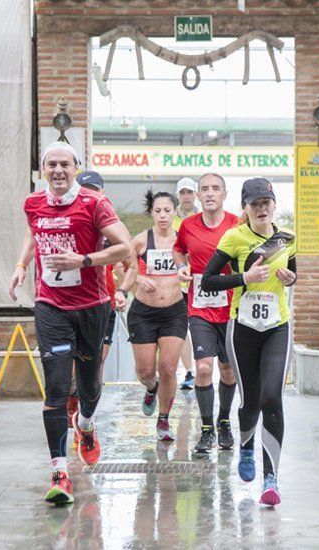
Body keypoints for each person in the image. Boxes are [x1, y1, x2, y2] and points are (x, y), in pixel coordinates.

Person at [9, 143, 134, 505]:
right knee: (57, 388)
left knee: (90, 386)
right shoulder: (33, 203)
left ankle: (87, 425)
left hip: (93, 306)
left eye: (65, 163)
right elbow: (35, 234)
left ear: (77, 167)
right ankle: (59, 471)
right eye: (52, 164)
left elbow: (125, 248)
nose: (58, 170)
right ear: (43, 169)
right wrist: (20, 266)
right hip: (50, 304)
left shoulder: (95, 203)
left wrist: (83, 260)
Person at [201, 177, 296, 507]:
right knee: (251, 400)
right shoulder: (234, 237)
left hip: (277, 328)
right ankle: (245, 445)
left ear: (273, 205)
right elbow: (208, 281)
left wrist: (291, 278)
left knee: (273, 396)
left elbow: (293, 271)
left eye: (266, 203)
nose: (262, 208)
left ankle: (271, 478)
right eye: (255, 204)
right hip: (242, 328)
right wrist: (244, 278)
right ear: (245, 207)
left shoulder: (286, 240)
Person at [173, 173, 240, 456]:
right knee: (203, 368)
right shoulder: (188, 226)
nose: (210, 193)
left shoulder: (237, 224)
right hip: (199, 306)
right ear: (197, 196)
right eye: (204, 189)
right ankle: (207, 429)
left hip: (230, 307)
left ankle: (224, 420)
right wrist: (183, 268)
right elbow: (179, 251)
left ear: (224, 194)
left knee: (227, 369)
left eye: (215, 189)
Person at [119, 190, 188, 442]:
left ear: (175, 212)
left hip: (174, 312)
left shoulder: (183, 240)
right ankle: (151, 388)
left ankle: (164, 419)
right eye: (157, 211)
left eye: (167, 210)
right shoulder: (140, 241)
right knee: (146, 371)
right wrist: (138, 278)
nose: (162, 215)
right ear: (152, 213)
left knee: (168, 367)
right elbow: (120, 265)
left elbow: (199, 263)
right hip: (143, 313)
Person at [66, 171, 129, 445]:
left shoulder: (112, 225)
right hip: (68, 304)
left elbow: (131, 264)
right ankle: (72, 405)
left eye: (94, 190)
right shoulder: (65, 221)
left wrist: (124, 290)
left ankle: (85, 417)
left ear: (103, 193)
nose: (90, 194)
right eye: (85, 190)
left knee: (94, 365)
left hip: (103, 305)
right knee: (68, 364)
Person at [174, 177, 200, 391]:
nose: (186, 197)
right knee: (182, 329)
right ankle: (190, 372)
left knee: (202, 327)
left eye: (189, 192)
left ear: (195, 195)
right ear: (178, 196)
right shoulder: (170, 220)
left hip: (202, 283)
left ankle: (204, 368)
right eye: (182, 193)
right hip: (179, 285)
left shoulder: (204, 219)